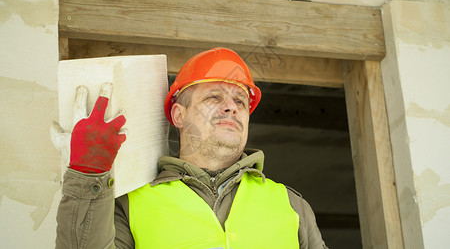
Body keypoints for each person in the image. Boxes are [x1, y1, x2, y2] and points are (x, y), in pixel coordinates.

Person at [52, 47, 328, 249]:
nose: (231, 106)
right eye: (214, 97)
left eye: (240, 101)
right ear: (178, 115)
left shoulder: (291, 206)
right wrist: (88, 174)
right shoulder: (131, 204)